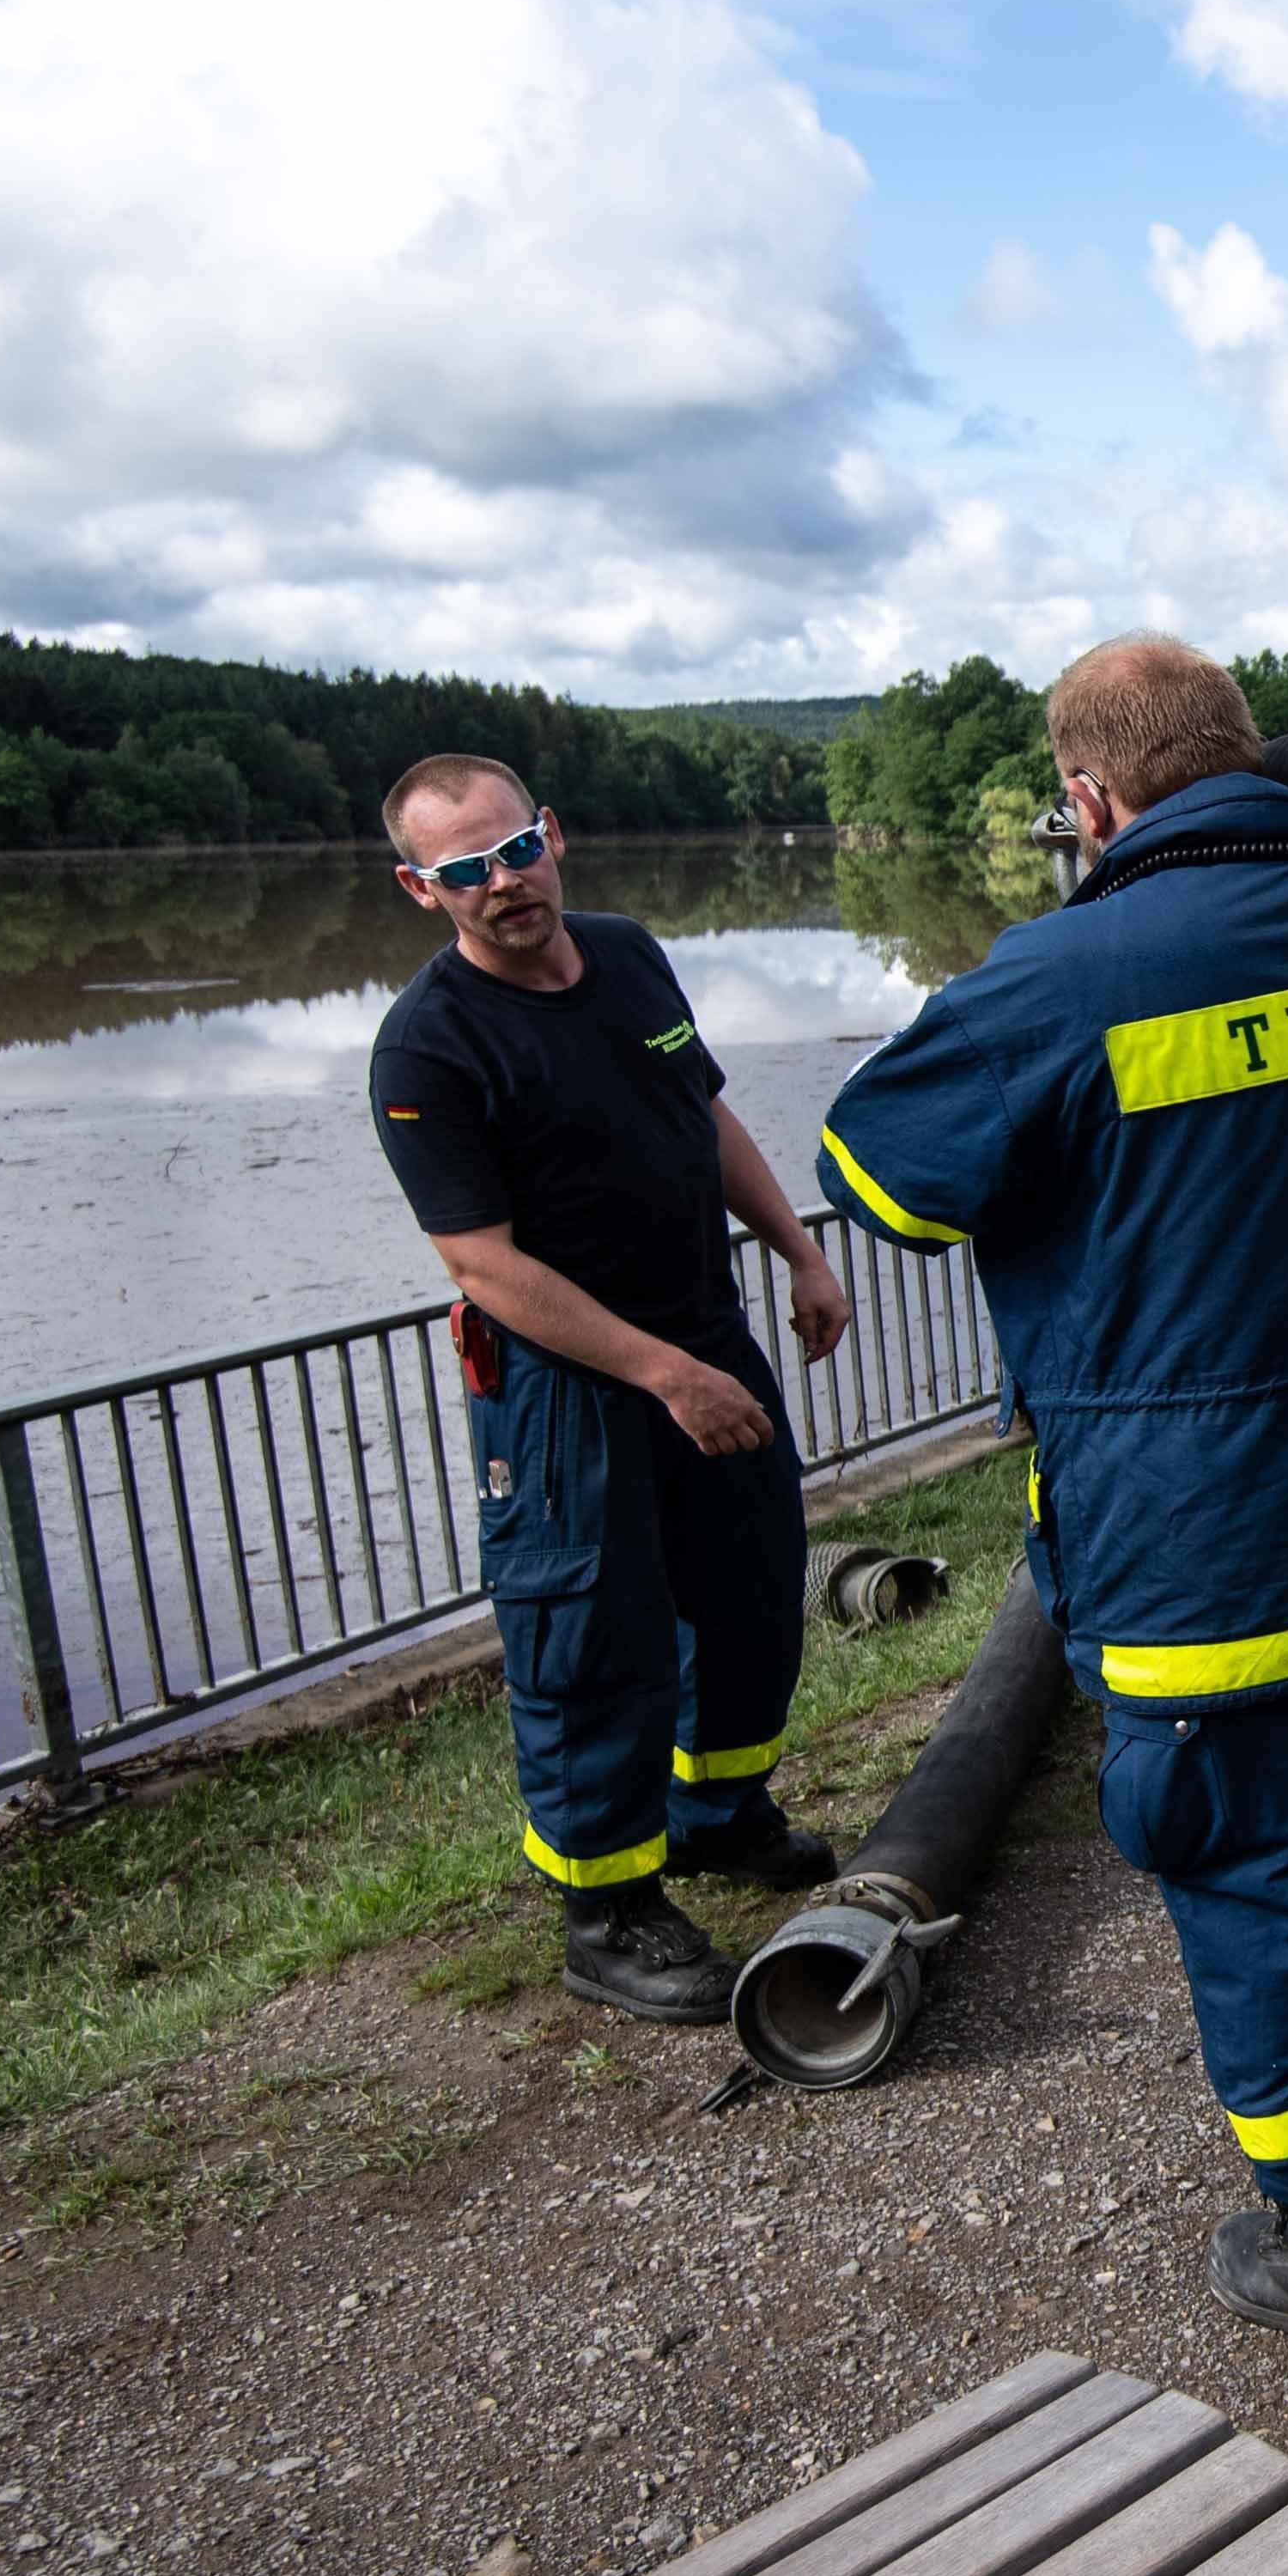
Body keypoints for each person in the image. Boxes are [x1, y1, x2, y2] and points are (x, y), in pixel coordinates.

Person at [813, 635, 1288, 2365]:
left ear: (1084, 798)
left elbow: (876, 1175)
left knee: (1240, 1855)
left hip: (1210, 1540)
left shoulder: (1053, 978)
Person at [366, 757, 853, 2025]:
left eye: (514, 848)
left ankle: (718, 1815)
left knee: (751, 1590)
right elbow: (481, 1263)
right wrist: (659, 1370)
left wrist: (799, 1251)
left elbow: (705, 1113)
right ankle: (608, 1908)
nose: (503, 882)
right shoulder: (429, 1043)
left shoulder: (631, 954)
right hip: (569, 1386)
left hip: (704, 1332)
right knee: (594, 1638)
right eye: (465, 870)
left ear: (552, 834)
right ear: (424, 889)